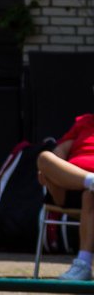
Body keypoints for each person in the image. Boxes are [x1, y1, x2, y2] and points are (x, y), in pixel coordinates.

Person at [38, 112, 94, 281]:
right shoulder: (85, 121)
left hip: (89, 197)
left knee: (90, 196)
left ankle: (83, 264)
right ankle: (91, 181)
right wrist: (52, 169)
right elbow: (61, 150)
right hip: (68, 184)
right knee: (44, 158)